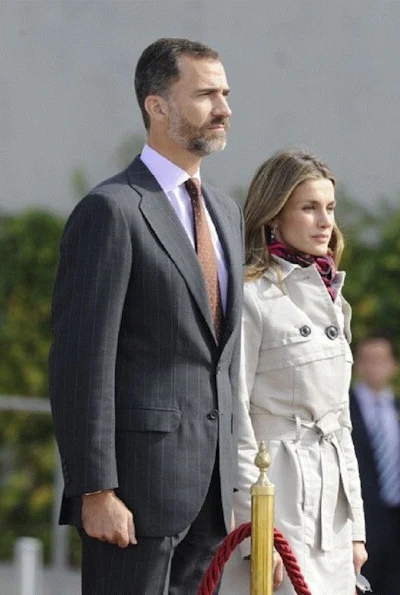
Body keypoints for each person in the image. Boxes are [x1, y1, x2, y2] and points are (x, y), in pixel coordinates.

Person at [49, 37, 244, 595]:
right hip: (133, 498)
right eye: (206, 94)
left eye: (225, 93)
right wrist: (95, 491)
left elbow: (220, 358)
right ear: (157, 106)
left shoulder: (225, 213)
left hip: (210, 498)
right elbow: (81, 361)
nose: (225, 108)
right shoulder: (110, 210)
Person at [220, 150, 367, 594]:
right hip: (277, 496)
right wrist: (252, 534)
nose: (326, 222)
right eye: (309, 207)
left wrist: (356, 526)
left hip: (333, 511)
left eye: (330, 208)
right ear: (273, 217)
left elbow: (341, 424)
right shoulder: (250, 296)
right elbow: (236, 419)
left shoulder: (332, 296)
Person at [350, 334, 400, 595]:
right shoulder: (343, 410)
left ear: (395, 365)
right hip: (360, 526)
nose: (374, 367)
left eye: (381, 360)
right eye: (367, 360)